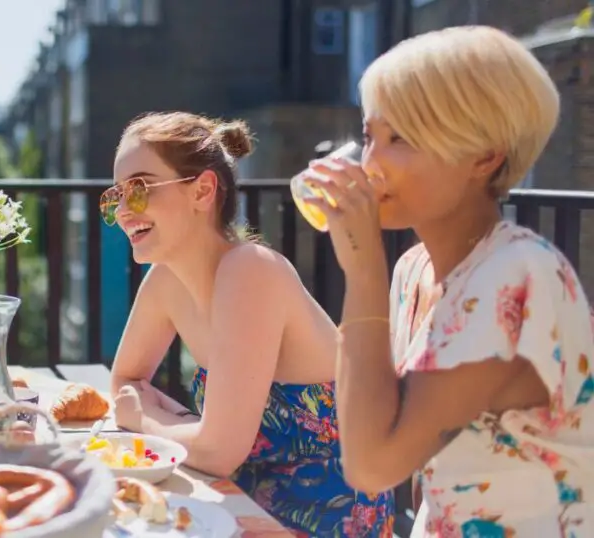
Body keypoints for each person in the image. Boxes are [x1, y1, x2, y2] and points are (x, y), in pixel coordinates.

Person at [301, 26, 594, 536]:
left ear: (485, 156)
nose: (370, 163)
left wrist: (362, 269)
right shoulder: (413, 269)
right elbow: (395, 442)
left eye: (402, 139)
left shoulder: (518, 275)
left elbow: (373, 466)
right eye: (371, 136)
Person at [106, 111, 394, 536]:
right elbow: (125, 383)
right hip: (234, 506)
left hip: (324, 522)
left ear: (202, 191)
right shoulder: (167, 278)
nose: (123, 210)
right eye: (116, 195)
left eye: (140, 189)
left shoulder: (251, 271)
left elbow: (216, 450)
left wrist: (146, 420)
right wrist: (190, 430)